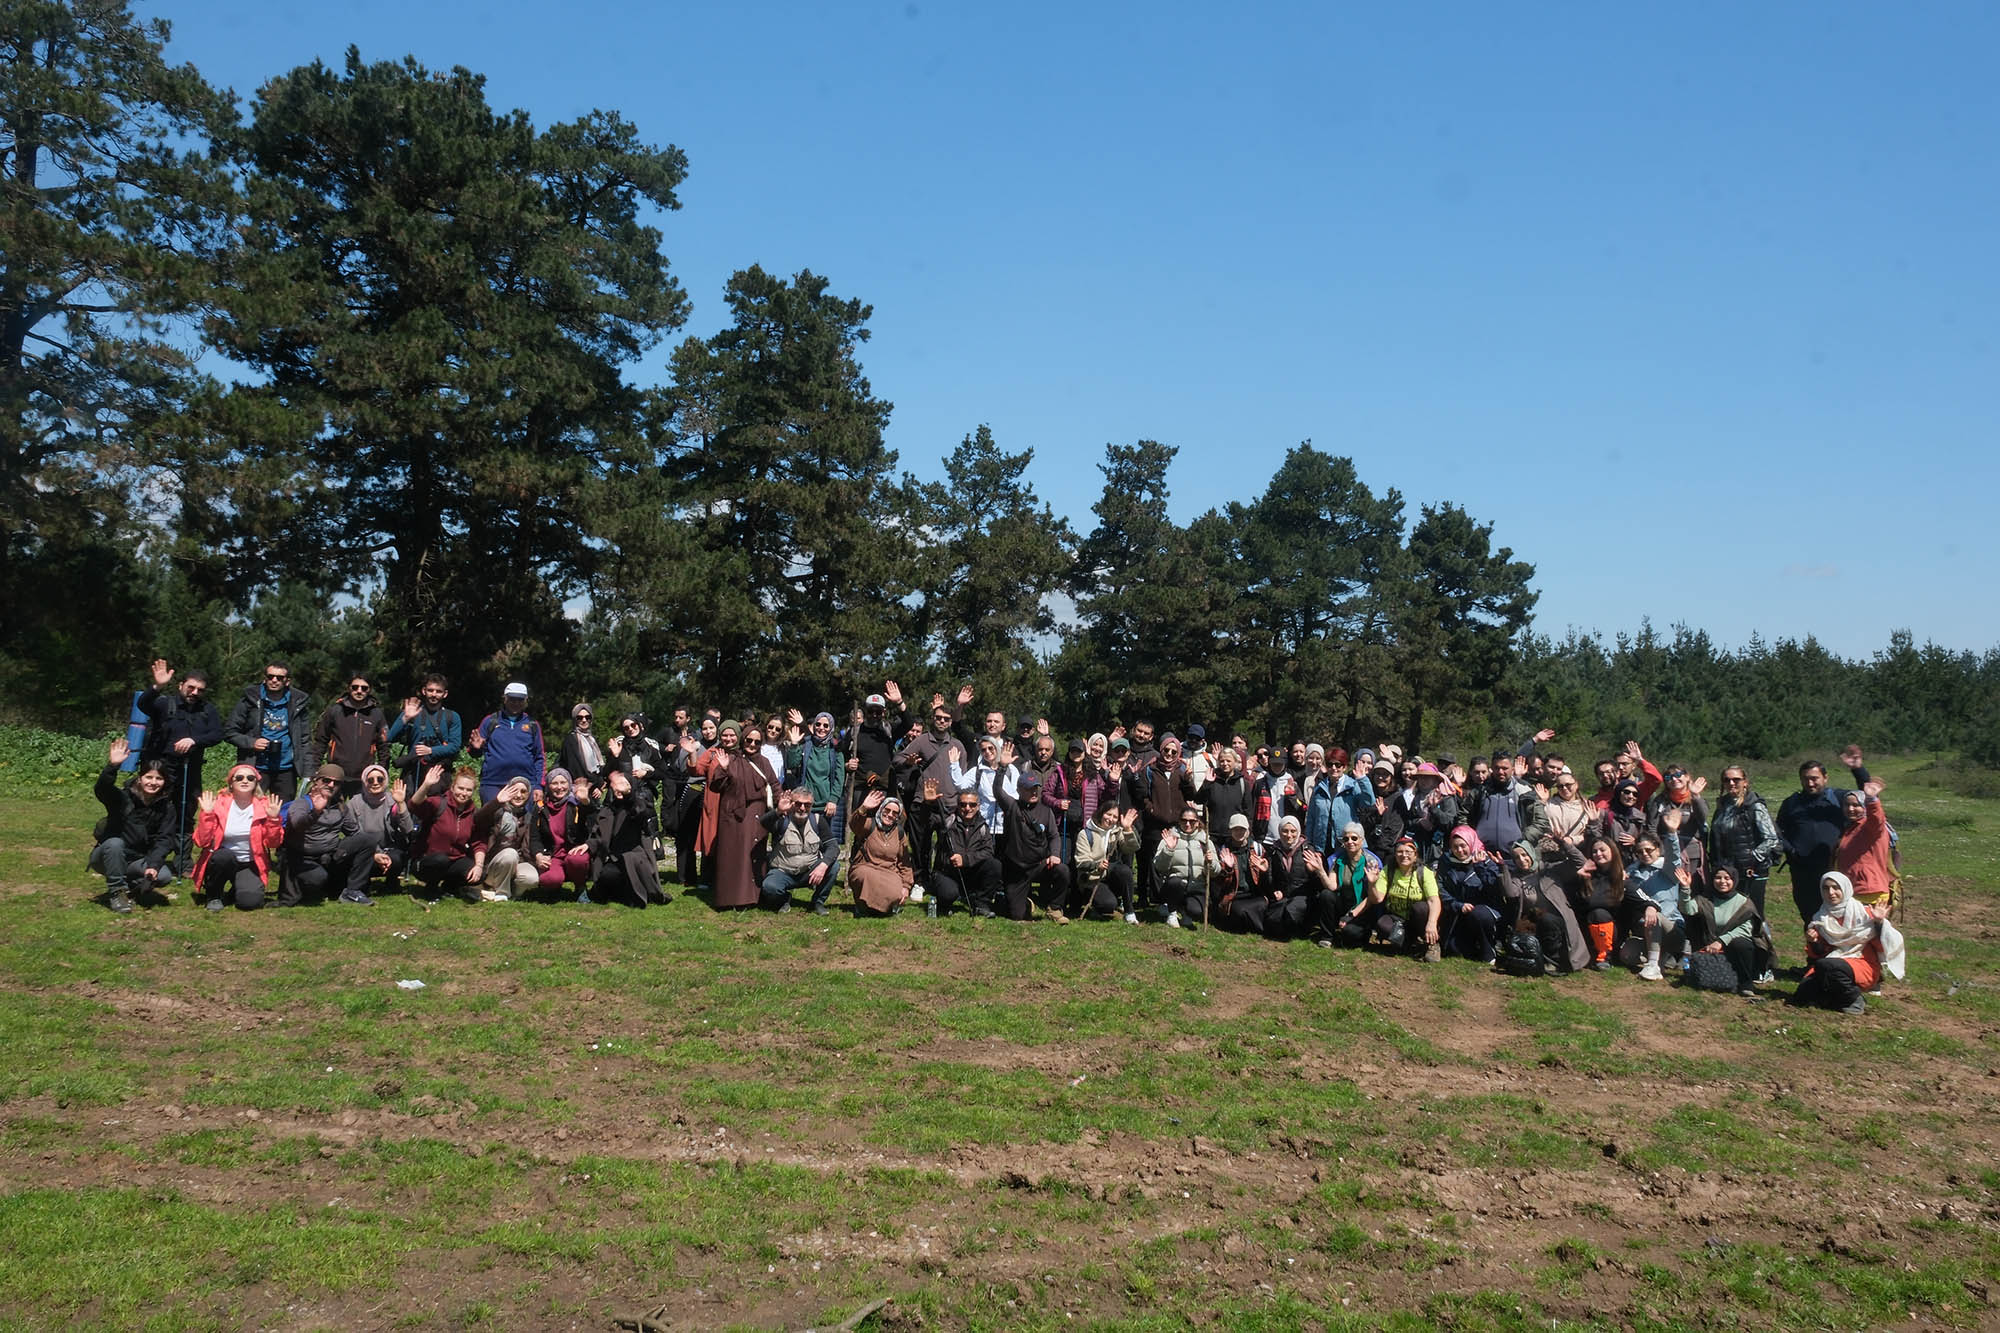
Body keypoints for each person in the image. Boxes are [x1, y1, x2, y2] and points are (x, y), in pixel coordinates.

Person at [135, 657, 222, 863]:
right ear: (181, 685)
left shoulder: (207, 710)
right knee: (156, 810)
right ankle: (147, 855)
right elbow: (143, 704)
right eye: (191, 687)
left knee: (186, 814)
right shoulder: (164, 704)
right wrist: (157, 686)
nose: (195, 693)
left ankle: (182, 861)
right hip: (161, 768)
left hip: (190, 769)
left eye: (200, 690)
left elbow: (218, 734)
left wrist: (194, 740)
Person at [1790, 871, 1905, 1014]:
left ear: (1845, 888)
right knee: (1800, 997)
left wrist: (1879, 923)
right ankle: (1833, 998)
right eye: (1826, 888)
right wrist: (1813, 941)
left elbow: (1883, 946)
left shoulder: (1865, 913)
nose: (1831, 892)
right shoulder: (1820, 917)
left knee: (1827, 966)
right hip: (1831, 963)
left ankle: (1854, 999)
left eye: (1835, 887)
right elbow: (1819, 954)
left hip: (1863, 963)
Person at [90, 737, 179, 913]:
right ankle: (117, 892)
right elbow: (102, 789)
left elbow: (165, 839)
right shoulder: (122, 798)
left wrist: (153, 865)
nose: (153, 783)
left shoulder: (167, 808)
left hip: (137, 859)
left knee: (163, 876)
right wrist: (112, 766)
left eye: (159, 779)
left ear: (164, 782)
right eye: (148, 777)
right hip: (107, 855)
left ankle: (133, 885)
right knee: (115, 843)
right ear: (139, 778)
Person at [282, 764, 382, 906]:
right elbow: (297, 824)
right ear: (316, 781)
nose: (331, 785)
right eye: (326, 780)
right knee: (318, 878)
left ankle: (352, 891)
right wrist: (315, 812)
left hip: (330, 855)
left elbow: (354, 831)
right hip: (303, 857)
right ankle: (315, 885)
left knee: (367, 840)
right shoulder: (302, 803)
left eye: (336, 782)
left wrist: (377, 852)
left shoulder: (340, 806)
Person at [190, 765, 285, 912]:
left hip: (250, 862)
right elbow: (201, 841)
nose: (245, 781)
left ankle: (237, 888)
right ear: (231, 783)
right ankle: (214, 895)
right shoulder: (219, 804)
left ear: (256, 783)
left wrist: (273, 819)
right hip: (224, 859)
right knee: (223, 857)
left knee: (250, 902)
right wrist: (207, 815)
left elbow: (273, 843)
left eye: (250, 778)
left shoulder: (265, 806)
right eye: (239, 778)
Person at [707, 724, 779, 910]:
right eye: (749, 740)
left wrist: (784, 803)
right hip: (733, 818)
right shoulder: (731, 759)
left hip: (757, 816)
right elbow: (715, 785)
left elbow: (774, 785)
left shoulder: (764, 762)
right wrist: (722, 768)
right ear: (743, 740)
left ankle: (752, 897)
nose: (752, 744)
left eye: (756, 741)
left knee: (753, 856)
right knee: (732, 857)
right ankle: (729, 898)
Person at [224, 661, 313, 800]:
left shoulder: (298, 703)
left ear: (287, 681)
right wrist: (252, 742)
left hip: (286, 768)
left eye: (279, 678)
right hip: (255, 766)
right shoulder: (250, 700)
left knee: (282, 814)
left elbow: (304, 740)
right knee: (250, 811)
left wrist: (308, 771)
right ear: (264, 678)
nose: (274, 680)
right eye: (270, 676)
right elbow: (229, 732)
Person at [1499, 839, 1590, 974]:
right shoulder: (1518, 877)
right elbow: (1510, 892)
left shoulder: (1550, 869)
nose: (1521, 860)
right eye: (1517, 857)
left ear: (1531, 853)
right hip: (1533, 919)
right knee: (1519, 942)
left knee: (1546, 919)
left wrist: (1563, 843)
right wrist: (1503, 868)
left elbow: (1580, 862)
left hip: (1557, 919)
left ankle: (1554, 961)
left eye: (1524, 855)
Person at [1681, 863, 1771, 998]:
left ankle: (1746, 984)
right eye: (1718, 878)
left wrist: (1721, 941)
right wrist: (1685, 888)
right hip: (1709, 943)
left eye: (1727, 878)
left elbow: (1746, 929)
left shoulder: (1744, 902)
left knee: (1741, 943)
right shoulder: (1705, 899)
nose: (1722, 882)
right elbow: (1687, 909)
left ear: (1734, 880)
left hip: (1735, 946)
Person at [1779, 761, 1851, 926]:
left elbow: (1866, 797)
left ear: (1825, 778)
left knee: (1839, 914)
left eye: (1814, 778)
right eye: (1805, 779)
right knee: (1810, 917)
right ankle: (1814, 951)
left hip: (1834, 868)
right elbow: (1777, 832)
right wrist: (1791, 851)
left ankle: (1838, 949)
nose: (1810, 783)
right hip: (1802, 872)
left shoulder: (1839, 799)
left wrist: (1857, 769)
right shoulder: (1791, 803)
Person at [1708, 766, 1782, 925]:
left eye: (1736, 779)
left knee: (1753, 914)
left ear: (1745, 782)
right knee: (1731, 914)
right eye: (1727, 780)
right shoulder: (1722, 806)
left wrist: (1751, 859)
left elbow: (1770, 838)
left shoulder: (1754, 805)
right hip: (1728, 870)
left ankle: (1761, 947)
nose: (1731, 783)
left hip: (1752, 871)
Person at [995, 769, 1071, 922]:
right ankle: (1026, 902)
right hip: (1016, 870)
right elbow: (997, 790)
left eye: (1035, 788)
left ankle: (1054, 909)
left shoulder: (1046, 811)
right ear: (1019, 790)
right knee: (1017, 915)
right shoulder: (1012, 807)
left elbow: (1054, 836)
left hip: (1038, 865)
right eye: (1029, 789)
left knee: (1062, 870)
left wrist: (1054, 854)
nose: (1034, 792)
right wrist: (1002, 768)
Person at [1621, 813, 1688, 981]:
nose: (1645, 854)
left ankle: (1652, 965)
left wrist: (1672, 833)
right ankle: (1660, 956)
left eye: (1649, 850)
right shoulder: (1632, 874)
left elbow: (1673, 856)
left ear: (1657, 849)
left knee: (1654, 915)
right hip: (1646, 931)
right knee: (1627, 955)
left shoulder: (1667, 872)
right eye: (1640, 851)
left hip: (1671, 928)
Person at [1355, 836, 1442, 961]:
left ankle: (1432, 944)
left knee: (1421, 908)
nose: (1404, 855)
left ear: (1415, 855)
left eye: (1408, 852)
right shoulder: (1388, 871)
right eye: (1400, 852)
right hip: (1398, 919)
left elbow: (1434, 900)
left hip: (1418, 918)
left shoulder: (1424, 873)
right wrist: (1372, 884)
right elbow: (1377, 899)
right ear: (1395, 855)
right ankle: (1410, 944)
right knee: (1382, 924)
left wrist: (1432, 923)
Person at [587, 769, 664, 907]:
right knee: (607, 875)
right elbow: (597, 835)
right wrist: (587, 845)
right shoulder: (607, 811)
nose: (619, 788)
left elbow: (639, 812)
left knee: (628, 881)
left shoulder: (639, 805)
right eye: (617, 785)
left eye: (624, 784)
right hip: (614, 858)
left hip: (635, 857)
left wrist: (629, 795)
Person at [758, 786, 838, 913]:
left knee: (833, 866)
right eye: (798, 804)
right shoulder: (781, 820)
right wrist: (778, 811)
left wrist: (823, 865)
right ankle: (784, 899)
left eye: (807, 805)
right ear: (791, 804)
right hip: (783, 871)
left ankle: (818, 902)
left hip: (809, 873)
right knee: (769, 887)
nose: (802, 808)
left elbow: (833, 846)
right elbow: (763, 823)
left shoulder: (818, 821)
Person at [409, 765, 482, 902]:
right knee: (440, 860)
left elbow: (478, 842)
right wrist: (426, 785)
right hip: (426, 861)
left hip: (452, 861)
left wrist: (478, 866)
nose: (464, 793)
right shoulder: (438, 803)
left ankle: (450, 887)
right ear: (452, 787)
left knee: (480, 873)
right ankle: (431, 888)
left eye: (468, 790)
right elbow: (414, 805)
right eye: (461, 788)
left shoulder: (473, 813)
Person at [309, 673, 389, 796]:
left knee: (360, 814)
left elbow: (383, 746)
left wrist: (381, 770)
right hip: (336, 775)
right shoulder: (335, 711)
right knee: (333, 812)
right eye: (355, 687)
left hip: (364, 776)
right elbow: (321, 741)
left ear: (369, 690)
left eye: (364, 688)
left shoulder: (376, 714)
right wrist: (314, 768)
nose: (359, 691)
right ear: (348, 688)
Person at [343, 763, 414, 897]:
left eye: (380, 779)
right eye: (370, 780)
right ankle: (363, 882)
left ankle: (392, 882)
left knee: (398, 857)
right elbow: (351, 834)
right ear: (364, 782)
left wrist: (401, 804)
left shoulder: (392, 800)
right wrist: (375, 853)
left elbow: (408, 829)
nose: (375, 783)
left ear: (385, 780)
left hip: (389, 850)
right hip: (364, 852)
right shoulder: (354, 803)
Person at [469, 775, 542, 901]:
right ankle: (502, 893)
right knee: (509, 854)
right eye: (515, 790)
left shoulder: (528, 817)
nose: (519, 795)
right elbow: (477, 819)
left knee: (531, 878)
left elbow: (528, 846)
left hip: (517, 862)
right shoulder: (497, 811)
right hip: (493, 865)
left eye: (523, 792)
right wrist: (497, 802)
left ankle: (512, 894)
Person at [468, 682, 546, 801]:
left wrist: (538, 786)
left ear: (525, 701)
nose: (516, 703)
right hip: (493, 783)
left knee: (524, 820)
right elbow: (474, 753)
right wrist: (476, 748)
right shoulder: (490, 721)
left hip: (524, 784)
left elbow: (539, 757)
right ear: (505, 699)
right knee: (493, 818)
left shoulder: (532, 725)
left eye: (520, 700)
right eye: (512, 699)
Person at [1440, 827, 1508, 962]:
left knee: (1479, 914)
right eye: (1455, 847)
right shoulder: (1446, 862)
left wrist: (1480, 868)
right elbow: (1440, 887)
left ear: (1470, 843)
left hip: (1482, 911)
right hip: (1457, 911)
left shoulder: (1486, 860)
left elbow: (1494, 889)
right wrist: (1457, 905)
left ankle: (1489, 950)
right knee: (1455, 951)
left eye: (1463, 846)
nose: (1459, 850)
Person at [1153, 805, 1221, 931]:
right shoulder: (1170, 837)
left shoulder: (1205, 841)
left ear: (1197, 822)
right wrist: (1169, 850)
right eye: (1184, 820)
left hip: (1196, 888)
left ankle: (1184, 910)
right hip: (1174, 885)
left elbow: (1216, 872)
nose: (1187, 824)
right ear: (1179, 821)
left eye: (1192, 821)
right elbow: (1159, 867)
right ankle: (1172, 912)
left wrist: (1210, 863)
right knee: (1175, 882)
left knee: (1196, 912)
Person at [847, 790, 915, 915]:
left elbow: (904, 862)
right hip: (865, 867)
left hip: (888, 872)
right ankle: (863, 907)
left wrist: (906, 886)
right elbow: (854, 825)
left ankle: (876, 908)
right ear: (881, 809)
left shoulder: (899, 833)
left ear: (898, 817)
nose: (889, 815)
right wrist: (863, 808)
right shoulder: (869, 824)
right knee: (864, 876)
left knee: (896, 892)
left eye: (894, 813)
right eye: (887, 810)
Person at [386, 674, 462, 786]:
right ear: (424, 691)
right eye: (430, 690)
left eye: (438, 691)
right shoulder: (413, 713)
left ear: (445, 694)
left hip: (439, 772)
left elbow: (455, 746)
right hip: (413, 771)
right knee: (409, 802)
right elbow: (390, 737)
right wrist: (405, 718)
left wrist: (431, 750)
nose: (434, 694)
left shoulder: (452, 717)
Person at [533, 768, 595, 900]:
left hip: (573, 852)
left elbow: (592, 817)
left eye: (563, 782)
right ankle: (555, 886)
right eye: (554, 783)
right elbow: (534, 837)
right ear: (548, 786)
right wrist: (538, 855)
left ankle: (580, 887)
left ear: (569, 784)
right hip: (552, 854)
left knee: (578, 860)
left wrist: (585, 801)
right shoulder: (540, 807)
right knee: (549, 880)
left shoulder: (576, 803)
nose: (559, 787)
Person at [1319, 823, 1384, 949]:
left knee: (1350, 936)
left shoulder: (1372, 862)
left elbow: (1372, 898)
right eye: (1346, 839)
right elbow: (1332, 886)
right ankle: (1327, 936)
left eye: (1354, 838)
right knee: (1326, 895)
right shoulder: (1336, 859)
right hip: (1343, 903)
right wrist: (1320, 871)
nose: (1350, 842)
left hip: (1363, 908)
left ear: (1362, 840)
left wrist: (1351, 915)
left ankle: (1363, 932)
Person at [1073, 796, 1138, 921]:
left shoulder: (1116, 831)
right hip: (1092, 879)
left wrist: (1128, 829)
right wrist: (1097, 865)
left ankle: (1129, 912)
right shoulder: (1085, 834)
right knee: (1108, 905)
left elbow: (1131, 849)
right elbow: (1081, 862)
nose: (1111, 819)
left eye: (1115, 817)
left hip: (1110, 876)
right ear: (1101, 813)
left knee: (1125, 871)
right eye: (1108, 814)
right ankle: (1097, 904)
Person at [1835, 771, 1893, 909]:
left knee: (1870, 930)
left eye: (1856, 805)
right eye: (1847, 805)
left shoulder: (1870, 827)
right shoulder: (1850, 828)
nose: (1850, 809)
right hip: (1854, 891)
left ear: (1864, 806)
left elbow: (1877, 818)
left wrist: (1872, 800)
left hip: (1870, 892)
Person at [1573, 834, 1629, 970]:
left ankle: (1604, 957)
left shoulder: (1622, 877)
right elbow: (1576, 904)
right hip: (1588, 928)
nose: (1598, 854)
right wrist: (1579, 878)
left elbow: (1641, 899)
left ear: (1612, 851)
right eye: (1594, 851)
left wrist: (1650, 907)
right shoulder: (1587, 876)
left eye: (1602, 850)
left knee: (1599, 913)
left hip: (1613, 932)